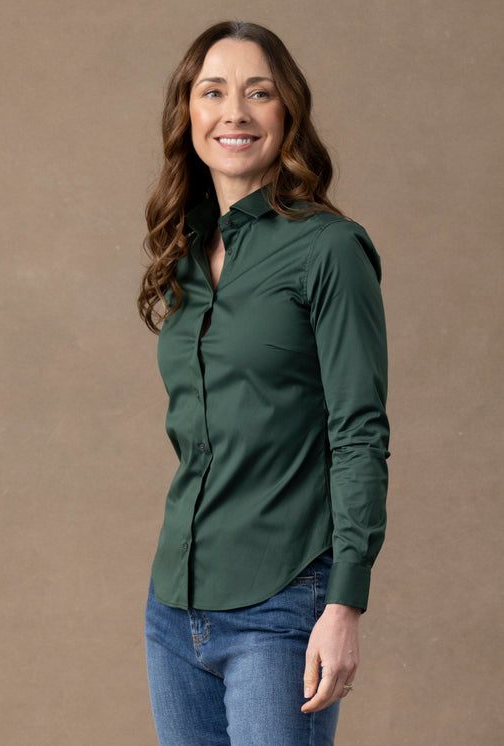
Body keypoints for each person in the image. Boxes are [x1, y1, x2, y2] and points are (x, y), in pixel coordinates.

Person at [138, 20, 389, 746]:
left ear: (288, 113)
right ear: (188, 112)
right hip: (173, 606)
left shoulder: (329, 249)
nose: (235, 113)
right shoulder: (183, 252)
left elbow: (359, 431)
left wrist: (343, 603)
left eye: (259, 93)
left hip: (282, 603)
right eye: (213, 92)